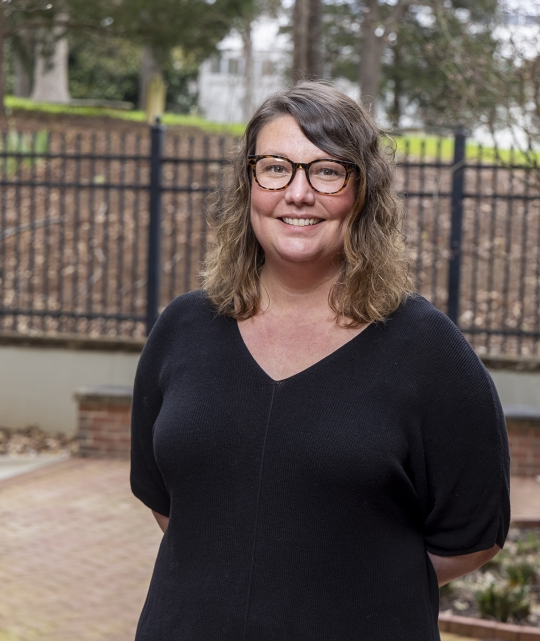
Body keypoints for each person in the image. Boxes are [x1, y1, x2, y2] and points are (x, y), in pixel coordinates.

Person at [129, 81, 510, 640]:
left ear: (363, 193)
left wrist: (338, 588)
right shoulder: (183, 330)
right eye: (276, 167)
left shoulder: (429, 353)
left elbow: (473, 536)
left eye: (327, 171)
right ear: (248, 184)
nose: (298, 193)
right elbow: (172, 506)